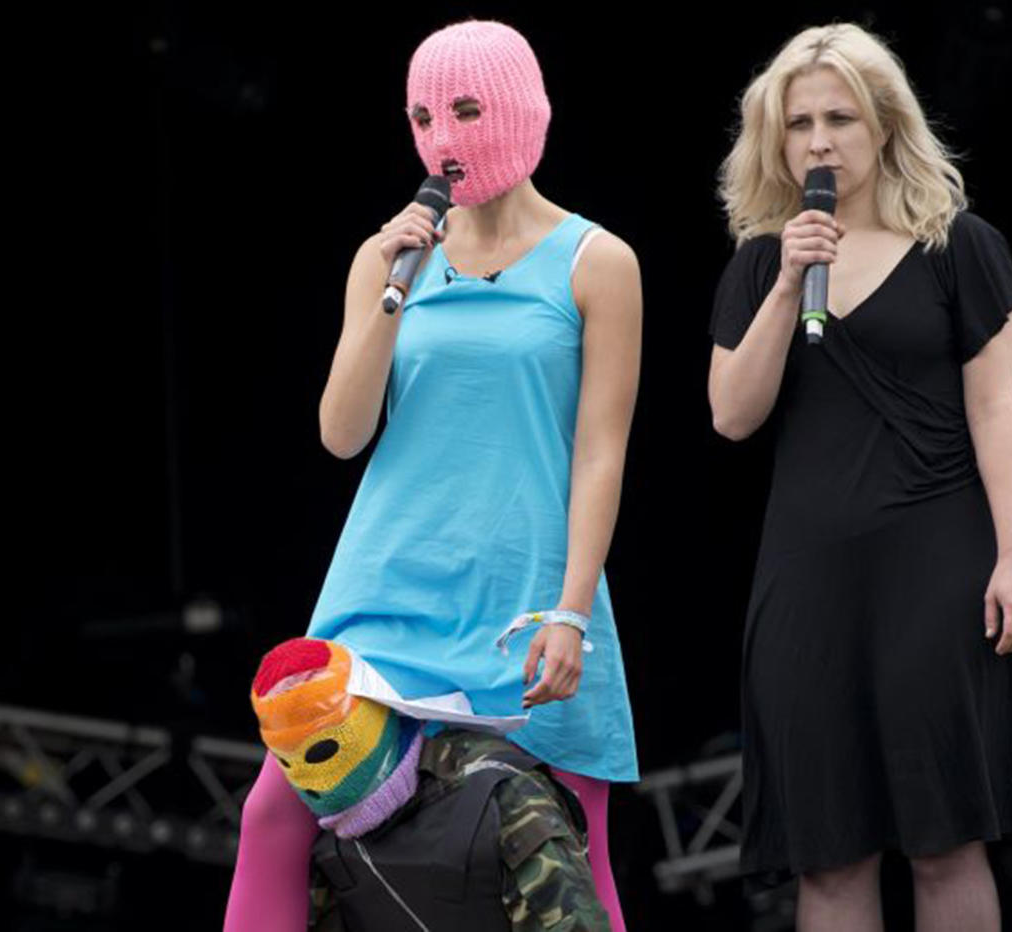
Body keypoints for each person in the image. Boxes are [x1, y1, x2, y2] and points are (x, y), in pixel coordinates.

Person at [223, 18, 641, 932]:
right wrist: (390, 286)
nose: (444, 138)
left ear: (524, 111)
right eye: (422, 116)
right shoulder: (391, 258)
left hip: (523, 595)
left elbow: (601, 450)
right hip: (387, 592)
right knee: (271, 817)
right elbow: (341, 433)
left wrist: (573, 607)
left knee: (574, 847)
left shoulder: (596, 262)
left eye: (465, 109)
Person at [706, 22, 1012, 932]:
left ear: (884, 125)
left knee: (946, 844)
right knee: (829, 855)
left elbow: (997, 410)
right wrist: (787, 284)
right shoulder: (758, 265)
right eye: (799, 123)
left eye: (840, 118)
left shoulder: (961, 247)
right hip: (808, 581)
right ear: (774, 140)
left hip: (937, 568)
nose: (819, 140)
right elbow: (731, 415)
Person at [249, 636, 611, 932]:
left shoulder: (503, 795)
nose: (311, 779)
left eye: (322, 749)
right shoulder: (325, 843)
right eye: (286, 758)